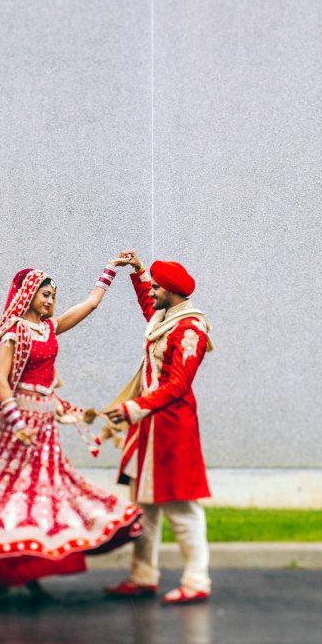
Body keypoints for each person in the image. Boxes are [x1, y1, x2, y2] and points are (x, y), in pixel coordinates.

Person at [0, 263, 142, 593]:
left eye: (54, 296)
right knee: (11, 493)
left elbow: (90, 304)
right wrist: (18, 422)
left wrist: (110, 272)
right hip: (19, 422)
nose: (51, 301)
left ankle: (30, 569)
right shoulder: (15, 332)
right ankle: (6, 571)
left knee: (45, 493)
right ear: (30, 295)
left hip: (45, 422)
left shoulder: (50, 328)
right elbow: (2, 382)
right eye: (46, 295)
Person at [104, 250, 214, 605]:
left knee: (182, 508)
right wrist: (136, 272)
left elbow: (178, 385)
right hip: (151, 424)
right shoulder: (167, 317)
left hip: (172, 427)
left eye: (156, 287)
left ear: (171, 291)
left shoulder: (190, 329)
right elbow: (148, 308)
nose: (151, 291)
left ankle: (197, 581)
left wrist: (134, 407)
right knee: (143, 506)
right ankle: (143, 575)